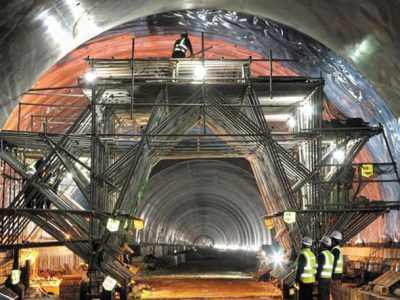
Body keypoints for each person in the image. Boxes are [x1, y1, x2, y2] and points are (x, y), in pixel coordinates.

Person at [330, 231, 343, 300]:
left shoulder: (335, 250)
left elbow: (333, 263)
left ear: (334, 240)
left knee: (335, 294)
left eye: (331, 239)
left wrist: (330, 274)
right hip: (338, 274)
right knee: (338, 293)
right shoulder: (337, 249)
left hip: (335, 275)